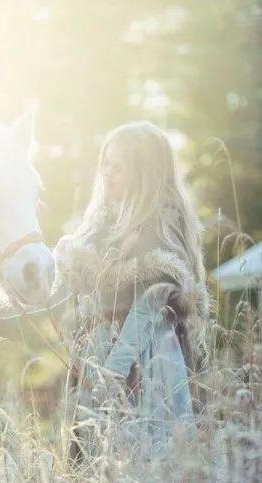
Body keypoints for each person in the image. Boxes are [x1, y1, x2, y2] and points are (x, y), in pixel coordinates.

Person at [54, 121, 209, 456]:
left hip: (144, 359)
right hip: (100, 355)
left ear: (144, 174)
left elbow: (150, 307)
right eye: (105, 164)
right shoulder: (103, 224)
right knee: (92, 465)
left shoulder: (160, 227)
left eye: (118, 167)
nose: (107, 173)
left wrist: (112, 372)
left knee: (141, 455)